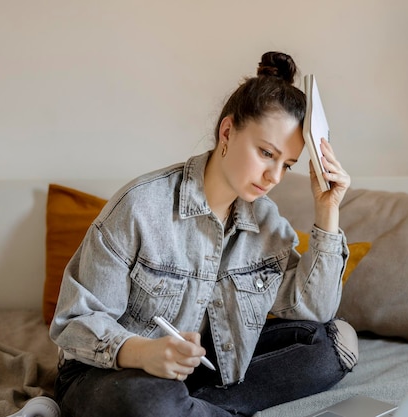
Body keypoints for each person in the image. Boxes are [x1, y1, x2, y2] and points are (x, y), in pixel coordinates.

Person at [49, 51, 358, 417]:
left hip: (203, 371)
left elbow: (313, 310)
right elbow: (74, 322)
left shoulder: (267, 223)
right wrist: (144, 352)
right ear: (227, 132)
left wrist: (328, 210)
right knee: (149, 401)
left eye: (286, 164)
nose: (275, 176)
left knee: (332, 345)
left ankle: (190, 409)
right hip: (113, 372)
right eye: (265, 153)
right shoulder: (141, 207)